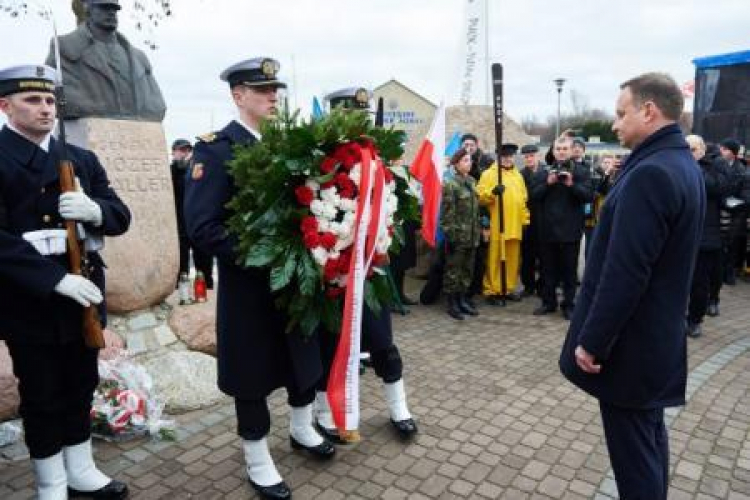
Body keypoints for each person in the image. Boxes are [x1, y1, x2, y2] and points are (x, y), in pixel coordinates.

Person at [183, 58, 333, 500]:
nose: (273, 97)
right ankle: (256, 456)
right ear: (238, 95)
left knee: (302, 359)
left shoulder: (293, 145)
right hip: (249, 287)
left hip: (295, 284)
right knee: (251, 372)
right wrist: (267, 257)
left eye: (276, 90)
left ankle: (303, 428)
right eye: (262, 89)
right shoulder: (215, 149)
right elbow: (202, 226)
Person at [559, 72, 705, 499]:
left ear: (649, 110)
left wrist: (593, 342)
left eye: (622, 114)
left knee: (635, 458)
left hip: (631, 346)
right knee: (648, 442)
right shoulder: (679, 163)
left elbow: (626, 272)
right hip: (654, 339)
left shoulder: (652, 174)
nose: (615, 124)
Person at [0, 65, 131, 499]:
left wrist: (96, 210)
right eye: (31, 100)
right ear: (5, 106)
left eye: (50, 101)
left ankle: (81, 469)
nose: (45, 109)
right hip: (30, 300)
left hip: (84, 296)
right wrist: (53, 279)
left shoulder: (79, 158)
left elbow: (120, 215)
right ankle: (51, 482)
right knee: (41, 394)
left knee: (80, 386)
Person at [314, 86, 418, 444]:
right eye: (350, 116)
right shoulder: (320, 163)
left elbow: (392, 210)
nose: (359, 123)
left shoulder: (377, 163)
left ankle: (398, 406)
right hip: (332, 273)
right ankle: (327, 414)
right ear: (335, 118)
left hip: (369, 273)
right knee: (330, 347)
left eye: (363, 116)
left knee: (382, 342)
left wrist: (385, 243)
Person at [45, 0, 166, 121]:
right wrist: (97, 108)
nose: (111, 13)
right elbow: (52, 92)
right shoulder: (65, 47)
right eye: (104, 8)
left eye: (114, 9)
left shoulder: (139, 58)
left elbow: (157, 106)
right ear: (88, 9)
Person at [531, 137, 593, 319]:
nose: (561, 152)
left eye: (565, 148)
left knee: (569, 271)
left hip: (570, 230)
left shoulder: (581, 172)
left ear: (572, 150)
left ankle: (569, 304)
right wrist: (547, 184)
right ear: (553, 150)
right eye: (558, 148)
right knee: (547, 270)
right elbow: (533, 196)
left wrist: (571, 185)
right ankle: (548, 302)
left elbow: (588, 196)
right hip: (547, 230)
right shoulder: (543, 172)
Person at [685, 134, 728, 338]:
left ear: (702, 149)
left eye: (692, 149)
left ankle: (695, 319)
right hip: (680, 233)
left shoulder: (713, 165)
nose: (689, 153)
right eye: (686, 149)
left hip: (705, 235)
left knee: (700, 282)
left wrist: (694, 166)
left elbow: (717, 187)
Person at [477, 143, 529, 304]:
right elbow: (480, 196)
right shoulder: (489, 174)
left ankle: (507, 287)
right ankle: (492, 290)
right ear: (498, 157)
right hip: (497, 225)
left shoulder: (518, 176)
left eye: (510, 156)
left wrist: (525, 220)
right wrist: (492, 193)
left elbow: (523, 199)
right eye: (504, 157)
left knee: (512, 259)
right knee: (495, 258)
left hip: (515, 225)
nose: (507, 159)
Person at [440, 148, 481, 320]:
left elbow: (476, 211)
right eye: (465, 160)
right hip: (458, 237)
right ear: (456, 164)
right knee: (453, 272)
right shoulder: (450, 184)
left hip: (472, 236)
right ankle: (452, 303)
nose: (469, 163)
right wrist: (451, 237)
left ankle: (462, 299)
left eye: (470, 160)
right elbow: (447, 215)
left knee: (467, 271)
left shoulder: (472, 181)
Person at [170, 139, 214, 289]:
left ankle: (206, 293)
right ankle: (181, 296)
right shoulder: (168, 172)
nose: (184, 153)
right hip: (178, 226)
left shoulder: (198, 169)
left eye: (187, 150)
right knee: (180, 269)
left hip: (198, 224)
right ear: (173, 152)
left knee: (204, 266)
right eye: (180, 150)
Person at [718, 138, 747, 285]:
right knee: (721, 242)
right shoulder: (718, 164)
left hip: (736, 214)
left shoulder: (741, 170)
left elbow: (744, 196)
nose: (721, 151)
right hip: (721, 210)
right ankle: (720, 271)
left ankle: (729, 272)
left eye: (725, 149)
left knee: (732, 244)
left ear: (733, 153)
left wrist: (733, 203)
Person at [519, 144, 542, 296]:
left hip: (543, 219)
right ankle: (528, 286)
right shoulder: (520, 175)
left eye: (531, 156)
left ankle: (542, 286)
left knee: (544, 256)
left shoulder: (546, 173)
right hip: (526, 220)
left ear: (538, 156)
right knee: (527, 256)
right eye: (526, 156)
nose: (529, 159)